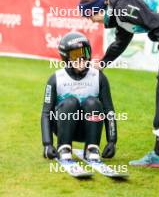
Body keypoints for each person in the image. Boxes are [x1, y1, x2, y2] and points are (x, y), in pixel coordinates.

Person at [78, 0, 159, 172]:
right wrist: (102, 63)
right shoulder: (119, 13)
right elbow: (120, 43)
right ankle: (158, 154)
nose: (91, 20)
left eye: (90, 15)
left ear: (100, 6)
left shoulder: (124, 5)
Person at [41, 31, 117, 161]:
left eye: (85, 53)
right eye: (76, 55)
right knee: (70, 102)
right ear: (66, 57)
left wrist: (112, 141)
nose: (82, 59)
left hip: (88, 129)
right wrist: (47, 144)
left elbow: (109, 111)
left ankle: (92, 147)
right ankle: (64, 146)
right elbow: (46, 113)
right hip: (63, 127)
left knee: (93, 103)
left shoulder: (99, 77)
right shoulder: (56, 79)